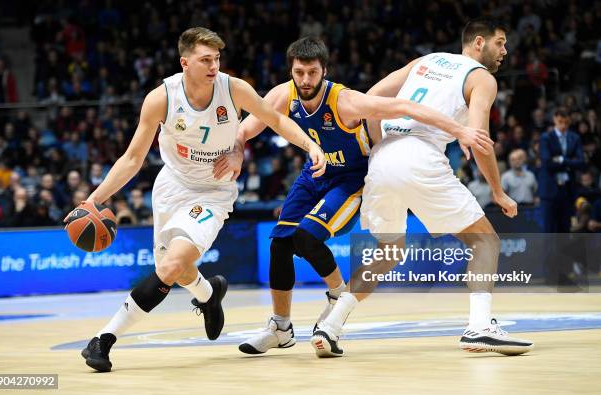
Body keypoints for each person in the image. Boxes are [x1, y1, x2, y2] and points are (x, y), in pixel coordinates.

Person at [67, 27, 326, 373]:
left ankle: (103, 340)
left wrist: (310, 145)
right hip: (172, 187)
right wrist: (93, 201)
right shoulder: (162, 98)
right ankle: (208, 294)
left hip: (214, 192)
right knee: (176, 268)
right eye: (206, 60)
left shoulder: (233, 89)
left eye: (217, 58)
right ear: (185, 63)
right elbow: (132, 159)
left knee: (171, 266)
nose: (214, 66)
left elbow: (275, 120)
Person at [213, 37, 491, 355]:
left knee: (305, 238)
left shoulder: (344, 101)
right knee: (279, 244)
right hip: (313, 174)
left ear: (324, 71)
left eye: (312, 73)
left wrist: (460, 130)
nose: (305, 80)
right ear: (291, 70)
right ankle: (280, 327)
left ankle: (337, 293)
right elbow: (245, 129)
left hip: (350, 179)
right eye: (299, 72)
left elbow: (404, 106)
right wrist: (236, 151)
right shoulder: (282, 94)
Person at [311, 19, 534, 357]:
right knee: (485, 241)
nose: (505, 51)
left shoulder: (426, 61)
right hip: (421, 157)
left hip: (384, 158)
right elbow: (480, 142)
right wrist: (498, 192)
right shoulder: (481, 78)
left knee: (389, 252)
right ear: (478, 43)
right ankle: (480, 327)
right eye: (500, 43)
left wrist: (379, 144)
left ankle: (329, 325)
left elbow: (369, 99)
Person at [538, 109, 585, 232]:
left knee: (565, 229)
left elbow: (581, 162)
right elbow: (547, 162)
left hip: (568, 189)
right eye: (560, 122)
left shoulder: (575, 138)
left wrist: (561, 160)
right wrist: (570, 162)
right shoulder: (546, 137)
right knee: (548, 230)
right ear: (554, 120)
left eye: (566, 122)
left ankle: (564, 252)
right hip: (549, 190)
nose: (563, 126)